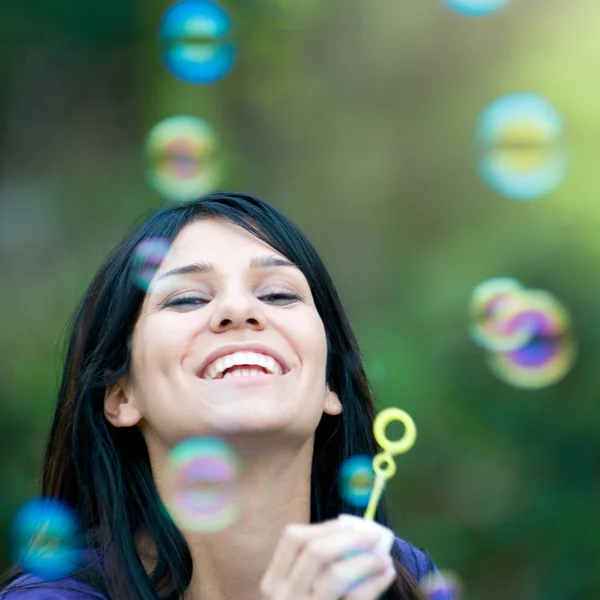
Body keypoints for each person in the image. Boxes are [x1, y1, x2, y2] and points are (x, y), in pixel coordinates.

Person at [1, 192, 441, 600]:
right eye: (188, 299)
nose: (239, 310)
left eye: (277, 293)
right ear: (120, 395)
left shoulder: (397, 576)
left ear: (330, 383)